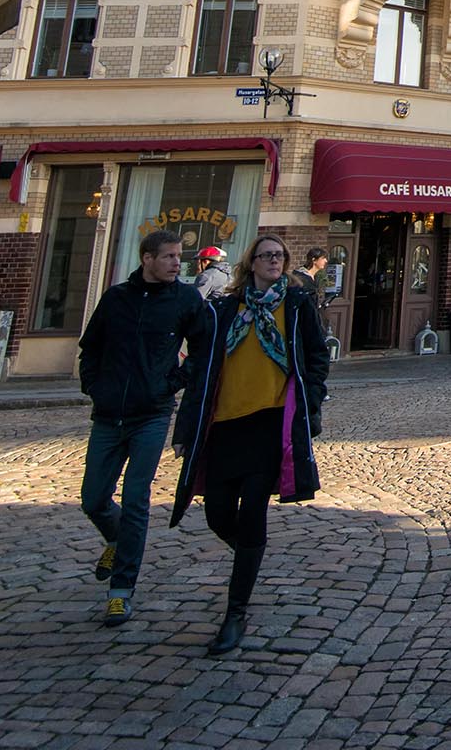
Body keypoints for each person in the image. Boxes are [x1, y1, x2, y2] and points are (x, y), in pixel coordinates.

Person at [171, 236, 331, 656]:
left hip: (270, 423)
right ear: (252, 264)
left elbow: (316, 356)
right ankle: (250, 555)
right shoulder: (226, 309)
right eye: (267, 255)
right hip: (224, 423)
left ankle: (235, 611)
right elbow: (201, 360)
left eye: (279, 256)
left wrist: (310, 400)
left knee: (254, 508)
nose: (274, 261)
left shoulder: (296, 306)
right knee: (218, 512)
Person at [76, 229, 205, 626]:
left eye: (178, 257)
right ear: (146, 258)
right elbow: (91, 348)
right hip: (109, 413)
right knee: (94, 498)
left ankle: (121, 589)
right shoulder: (116, 299)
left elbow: (202, 351)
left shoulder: (185, 299)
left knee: (136, 500)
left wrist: (170, 384)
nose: (175, 264)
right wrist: (95, 387)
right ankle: (116, 540)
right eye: (167, 257)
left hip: (152, 413)